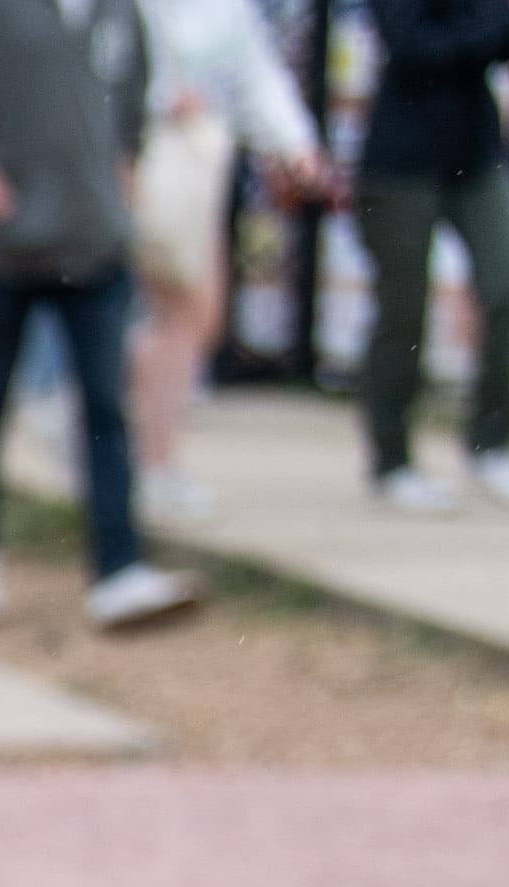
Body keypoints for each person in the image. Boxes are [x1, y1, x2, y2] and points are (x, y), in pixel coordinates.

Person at [0, 0, 200, 625]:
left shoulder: (116, 13)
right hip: (3, 247)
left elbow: (129, 125)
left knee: (106, 403)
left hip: (95, 242)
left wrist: (120, 204)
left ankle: (118, 565)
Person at [351, 0, 509, 512]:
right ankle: (392, 458)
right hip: (402, 157)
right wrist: (508, 22)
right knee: (403, 311)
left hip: (478, 152)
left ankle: (492, 442)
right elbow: (414, 45)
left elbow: (508, 49)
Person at [127, 0, 325, 518]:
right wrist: (163, 99)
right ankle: (125, 449)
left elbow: (253, 69)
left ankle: (153, 460)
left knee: (198, 318)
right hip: (135, 161)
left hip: (199, 164)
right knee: (173, 311)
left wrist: (296, 144)